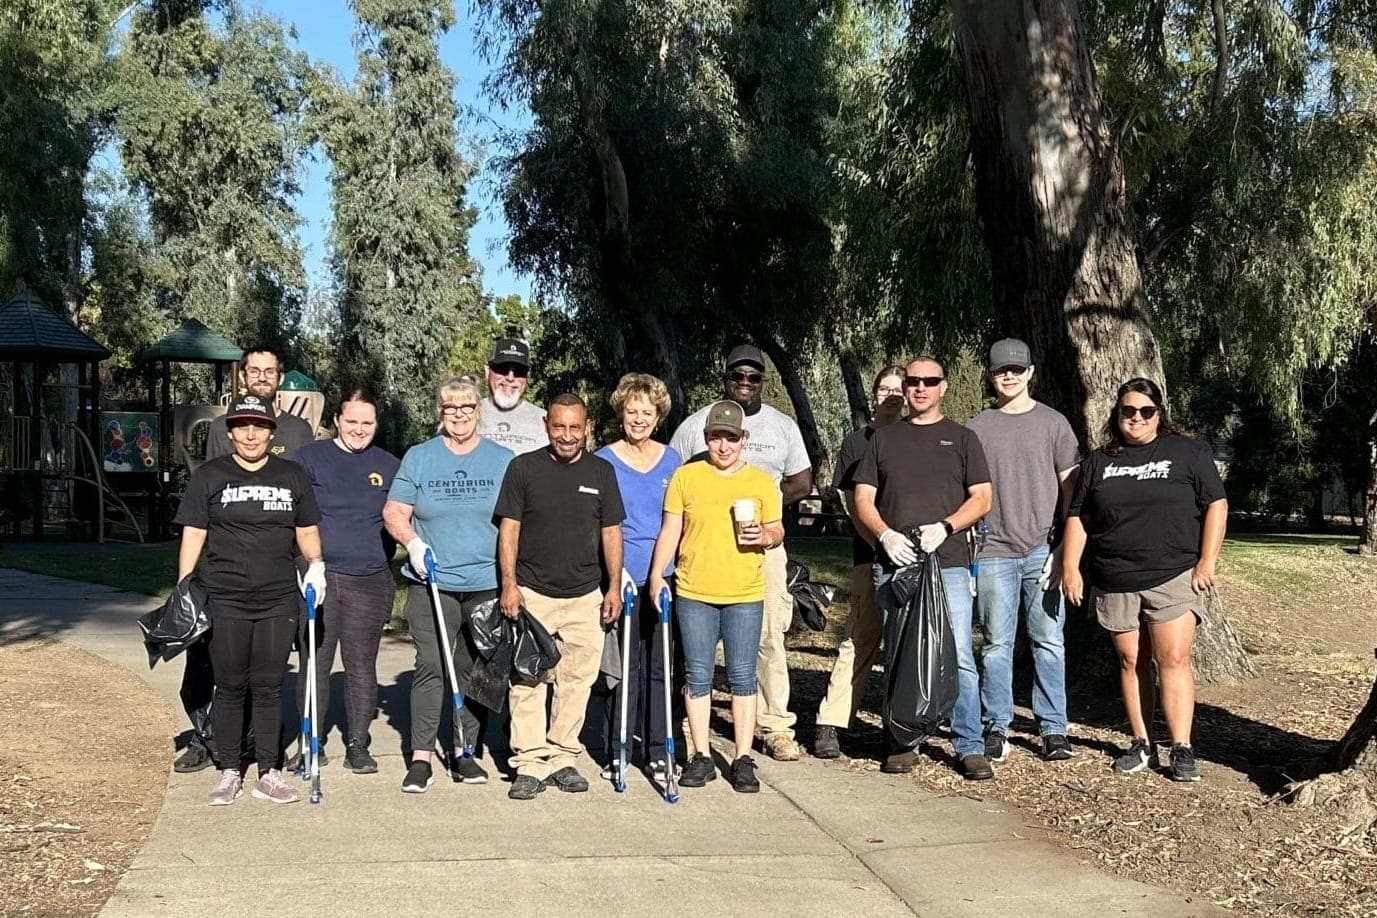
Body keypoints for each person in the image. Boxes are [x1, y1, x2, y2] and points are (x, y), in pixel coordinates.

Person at [1062, 378, 1227, 783]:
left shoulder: (1186, 452)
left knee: (1172, 660)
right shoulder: (1100, 461)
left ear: (1159, 414)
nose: (1135, 418)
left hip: (1172, 575)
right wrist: (1070, 566)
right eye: (1127, 411)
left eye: (1145, 411)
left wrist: (1207, 561)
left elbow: (1216, 505)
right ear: (1116, 414)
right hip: (1115, 576)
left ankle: (1182, 747)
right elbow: (1078, 517)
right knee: (1131, 660)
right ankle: (1141, 742)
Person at [175, 394, 325, 806]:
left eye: (259, 426)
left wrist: (316, 566)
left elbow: (307, 530)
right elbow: (194, 534)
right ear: (231, 431)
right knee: (230, 684)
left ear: (270, 431)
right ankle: (228, 771)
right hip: (226, 597)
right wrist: (185, 586)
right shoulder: (210, 476)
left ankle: (269, 771)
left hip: (278, 598)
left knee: (268, 685)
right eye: (242, 426)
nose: (251, 434)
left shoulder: (292, 476)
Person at [853, 356, 994, 780]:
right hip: (896, 563)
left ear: (943, 387)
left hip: (947, 562)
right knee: (898, 652)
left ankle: (968, 743)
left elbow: (983, 497)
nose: (920, 388)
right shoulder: (883, 439)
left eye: (929, 382)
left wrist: (946, 526)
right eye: (913, 382)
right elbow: (862, 498)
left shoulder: (963, 439)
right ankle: (902, 739)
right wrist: (884, 536)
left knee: (957, 655)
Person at [669, 344, 811, 762]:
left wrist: (764, 503)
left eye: (753, 377)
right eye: (737, 376)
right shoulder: (697, 425)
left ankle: (775, 726)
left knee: (767, 637)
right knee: (697, 643)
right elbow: (673, 476)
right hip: (705, 547)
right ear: (725, 378)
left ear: (764, 382)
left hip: (763, 546)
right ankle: (691, 726)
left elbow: (802, 482)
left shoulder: (782, 426)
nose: (745, 384)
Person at [384, 377, 514, 793]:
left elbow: (514, 522)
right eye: (450, 408)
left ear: (479, 410)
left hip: (486, 583)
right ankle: (421, 757)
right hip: (432, 581)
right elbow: (394, 511)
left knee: (474, 669)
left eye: (467, 407)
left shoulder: (502, 459)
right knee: (431, 665)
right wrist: (413, 543)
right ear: (439, 412)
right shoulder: (420, 457)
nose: (458, 414)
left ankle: (465, 752)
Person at [495, 393, 625, 800]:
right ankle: (530, 763)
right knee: (528, 679)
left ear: (586, 427)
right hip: (533, 592)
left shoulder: (602, 471)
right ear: (546, 426)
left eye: (574, 427)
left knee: (576, 681)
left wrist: (614, 587)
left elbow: (611, 532)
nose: (566, 435)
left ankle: (563, 756)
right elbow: (509, 530)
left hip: (586, 595)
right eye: (558, 426)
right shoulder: (523, 469)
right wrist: (509, 584)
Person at [650, 400, 783, 793]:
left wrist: (766, 536)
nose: (723, 446)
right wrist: (658, 574)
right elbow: (671, 530)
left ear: (744, 439)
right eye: (715, 437)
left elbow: (777, 530)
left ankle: (743, 757)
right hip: (694, 590)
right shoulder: (686, 478)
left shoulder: (760, 482)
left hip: (744, 592)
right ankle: (701, 754)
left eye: (730, 438)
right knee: (697, 674)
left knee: (742, 676)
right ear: (705, 438)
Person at [966, 339, 1081, 767]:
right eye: (1000, 371)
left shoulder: (1054, 425)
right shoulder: (977, 427)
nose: (1009, 376)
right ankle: (995, 725)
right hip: (994, 550)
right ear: (991, 376)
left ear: (1031, 373)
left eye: (1016, 369)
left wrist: (1064, 545)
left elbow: (1072, 489)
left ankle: (1053, 728)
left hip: (1042, 550)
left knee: (1049, 641)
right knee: (996, 644)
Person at [287, 390, 400, 775]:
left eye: (367, 423)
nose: (358, 429)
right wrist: (308, 563)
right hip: (319, 575)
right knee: (314, 663)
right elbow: (295, 515)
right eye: (351, 421)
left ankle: (358, 742)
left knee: (361, 665)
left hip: (369, 577)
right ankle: (310, 743)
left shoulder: (388, 464)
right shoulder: (309, 457)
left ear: (376, 425)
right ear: (337, 420)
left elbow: (403, 516)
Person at [812, 366, 905, 759]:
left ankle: (899, 726)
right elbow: (854, 504)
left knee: (906, 647)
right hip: (870, 556)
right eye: (884, 388)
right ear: (874, 394)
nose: (891, 395)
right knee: (859, 638)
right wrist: (881, 542)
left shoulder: (920, 439)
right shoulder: (857, 443)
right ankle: (830, 723)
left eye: (898, 389)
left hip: (917, 559)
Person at [595, 374, 683, 783]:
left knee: (660, 666)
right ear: (621, 413)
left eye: (647, 412)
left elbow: (678, 520)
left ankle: (658, 746)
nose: (639, 419)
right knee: (623, 666)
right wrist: (614, 577)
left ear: (658, 415)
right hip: (620, 578)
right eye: (632, 411)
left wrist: (663, 572)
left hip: (663, 578)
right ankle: (619, 746)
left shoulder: (672, 461)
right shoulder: (604, 460)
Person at [476, 338, 548, 454]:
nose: (510, 378)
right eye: (502, 369)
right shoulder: (465, 415)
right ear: (487, 370)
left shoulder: (545, 421)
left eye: (519, 371)